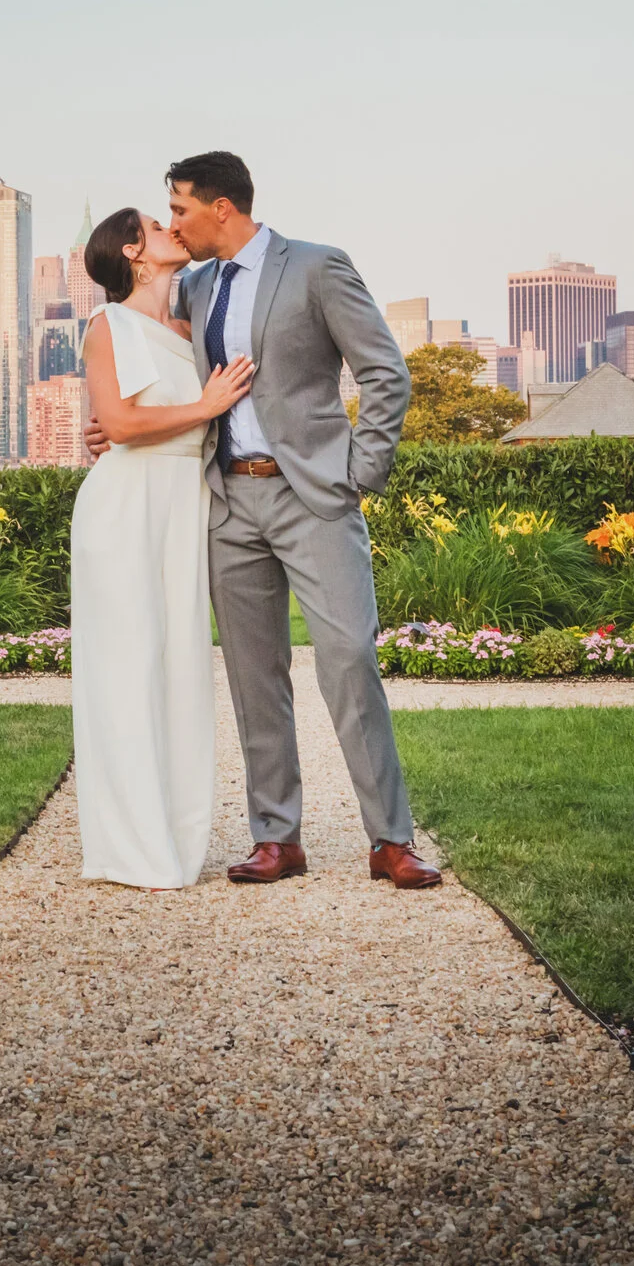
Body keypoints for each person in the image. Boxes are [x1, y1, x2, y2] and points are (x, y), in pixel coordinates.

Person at [88, 151, 441, 891]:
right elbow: (146, 360)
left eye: (179, 208)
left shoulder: (317, 267)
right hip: (227, 503)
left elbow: (384, 371)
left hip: (314, 498)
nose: (174, 224)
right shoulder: (194, 286)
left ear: (222, 207)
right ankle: (277, 835)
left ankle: (390, 838)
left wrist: (358, 474)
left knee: (347, 657)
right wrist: (115, 427)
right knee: (255, 676)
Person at [69, 207, 254, 888]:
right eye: (155, 222)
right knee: (126, 668)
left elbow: (136, 420)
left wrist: (174, 417)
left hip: (182, 511)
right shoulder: (105, 325)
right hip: (123, 512)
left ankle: (175, 835)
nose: (171, 226)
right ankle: (129, 846)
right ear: (133, 252)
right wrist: (199, 409)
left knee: (178, 667)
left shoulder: (188, 329)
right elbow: (117, 421)